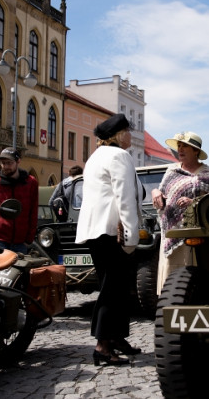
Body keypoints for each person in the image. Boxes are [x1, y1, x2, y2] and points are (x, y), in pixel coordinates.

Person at [75, 113, 142, 366]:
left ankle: (116, 338)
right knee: (113, 289)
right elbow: (124, 197)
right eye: (128, 132)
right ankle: (102, 345)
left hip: (97, 231)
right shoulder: (119, 156)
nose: (131, 137)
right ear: (118, 135)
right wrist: (131, 237)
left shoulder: (95, 157)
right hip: (112, 232)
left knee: (116, 286)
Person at [151, 131, 209, 295]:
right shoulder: (171, 171)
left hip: (198, 236)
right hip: (171, 231)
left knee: (194, 280)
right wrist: (155, 192)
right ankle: (170, 305)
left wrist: (194, 203)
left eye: (185, 147)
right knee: (171, 278)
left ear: (196, 151)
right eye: (179, 146)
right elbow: (162, 193)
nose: (180, 150)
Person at [0, 148, 38, 255]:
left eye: (9, 163)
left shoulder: (30, 183)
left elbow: (33, 212)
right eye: (3, 163)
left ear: (18, 161)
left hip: (21, 242)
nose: (5, 167)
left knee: (20, 271)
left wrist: (29, 239)